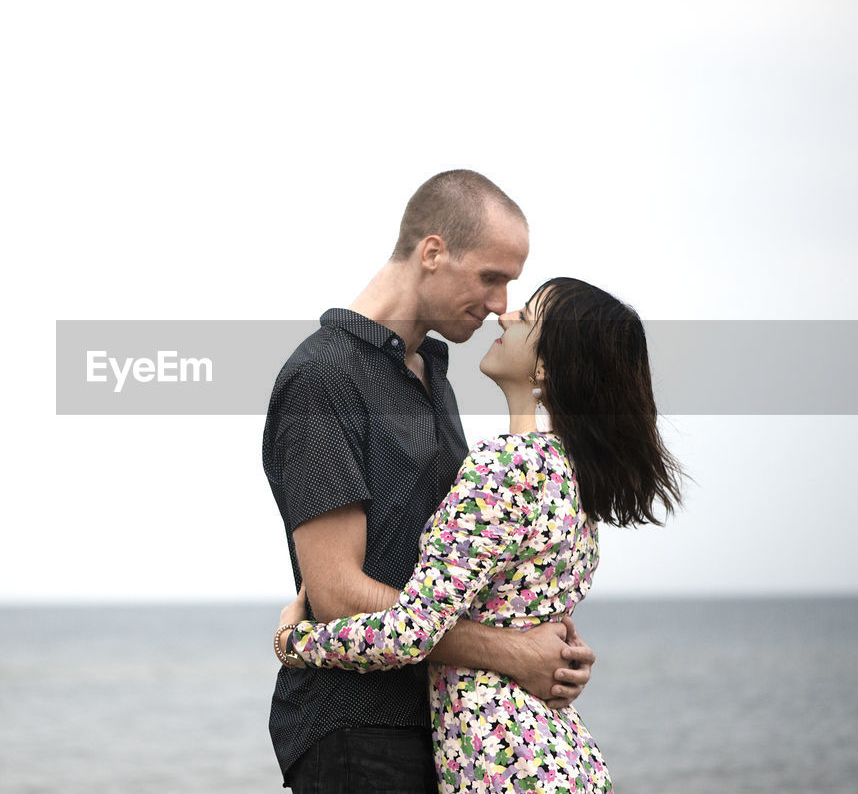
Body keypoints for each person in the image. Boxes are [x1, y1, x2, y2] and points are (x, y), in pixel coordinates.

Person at [273, 277, 685, 794]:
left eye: (527, 317)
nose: (505, 315)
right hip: (558, 757)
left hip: (502, 761)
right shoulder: (568, 474)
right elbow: (536, 618)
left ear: (545, 368)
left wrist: (295, 641)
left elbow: (408, 632)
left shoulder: (506, 468)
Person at [263, 171, 597, 793]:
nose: (501, 304)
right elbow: (336, 596)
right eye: (491, 277)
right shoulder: (323, 377)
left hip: (448, 733)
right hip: (357, 728)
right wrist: (510, 652)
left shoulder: (431, 374)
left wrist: (544, 645)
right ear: (433, 252)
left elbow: (461, 566)